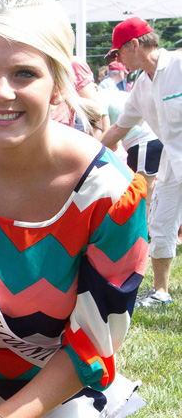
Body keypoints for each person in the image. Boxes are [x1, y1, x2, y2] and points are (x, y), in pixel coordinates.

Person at [0, 0, 147, 418]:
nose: (2, 92)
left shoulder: (111, 194)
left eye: (24, 73)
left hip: (57, 392)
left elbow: (93, 343)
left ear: (58, 84)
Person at [105, 16, 182, 308]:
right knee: (160, 224)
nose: (117, 59)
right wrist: (86, 151)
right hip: (172, 165)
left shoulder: (178, 65)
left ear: (135, 45)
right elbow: (118, 129)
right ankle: (161, 293)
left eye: (118, 52)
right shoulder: (140, 86)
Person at [97, 88, 162, 216]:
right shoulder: (111, 93)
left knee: (142, 192)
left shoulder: (99, 101)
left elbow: (112, 142)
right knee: (149, 189)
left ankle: (144, 231)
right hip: (153, 139)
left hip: (142, 143)